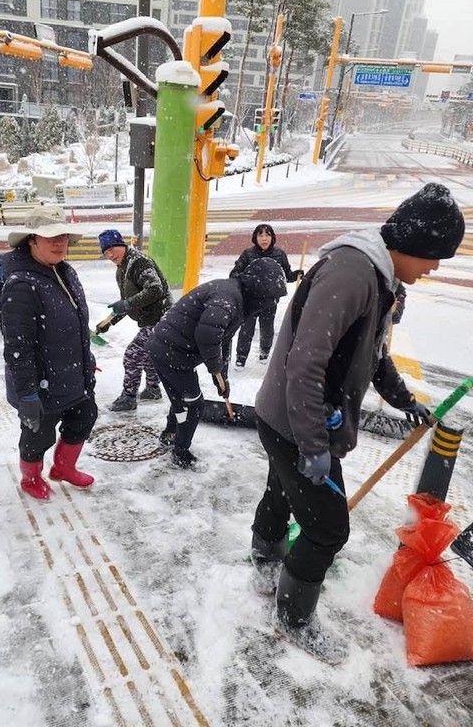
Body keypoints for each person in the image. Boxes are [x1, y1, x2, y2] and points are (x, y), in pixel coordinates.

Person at [249, 182, 465, 663]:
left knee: (281, 493)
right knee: (328, 528)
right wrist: (311, 444)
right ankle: (292, 618)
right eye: (434, 258)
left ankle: (264, 564)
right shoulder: (352, 273)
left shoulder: (379, 275)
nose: (432, 269)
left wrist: (403, 399)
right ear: (413, 243)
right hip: (296, 421)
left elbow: (374, 354)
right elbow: (305, 363)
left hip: (290, 416)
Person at [147, 257, 287, 470]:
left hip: (170, 350)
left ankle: (170, 433)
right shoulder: (228, 298)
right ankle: (180, 451)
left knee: (181, 400)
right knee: (194, 404)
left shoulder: (238, 297)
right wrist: (214, 368)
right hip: (171, 353)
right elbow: (207, 335)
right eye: (269, 298)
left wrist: (221, 375)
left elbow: (223, 339)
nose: (270, 303)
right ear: (257, 290)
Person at [1, 204, 97, 501]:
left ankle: (63, 468)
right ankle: (31, 478)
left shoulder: (64, 272)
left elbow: (77, 325)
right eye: (50, 236)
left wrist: (86, 361)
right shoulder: (21, 285)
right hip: (41, 384)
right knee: (37, 436)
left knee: (84, 417)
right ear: (32, 239)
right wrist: (27, 394)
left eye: (63, 236)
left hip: (72, 376)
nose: (59, 242)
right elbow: (18, 347)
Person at [96, 229, 172, 412]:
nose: (110, 255)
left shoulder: (139, 262)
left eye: (113, 249)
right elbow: (127, 303)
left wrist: (127, 303)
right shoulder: (121, 269)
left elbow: (155, 289)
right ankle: (153, 389)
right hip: (150, 320)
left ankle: (128, 398)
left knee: (133, 355)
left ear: (122, 245)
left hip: (161, 318)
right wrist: (109, 322)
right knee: (147, 354)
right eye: (106, 252)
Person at [230, 224, 302, 366]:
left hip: (270, 300)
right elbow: (234, 274)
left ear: (272, 237)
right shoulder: (247, 254)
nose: (264, 238)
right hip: (250, 299)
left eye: (267, 235)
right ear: (255, 238)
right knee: (246, 329)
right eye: (260, 235)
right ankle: (241, 357)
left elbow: (286, 276)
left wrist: (296, 275)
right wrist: (250, 280)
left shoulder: (279, 255)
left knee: (267, 328)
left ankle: (264, 353)